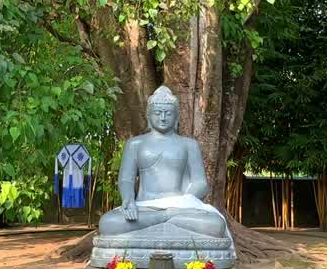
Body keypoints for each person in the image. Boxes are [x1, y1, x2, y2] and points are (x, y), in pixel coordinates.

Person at [97, 86, 229, 240]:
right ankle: (165, 219)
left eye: (168, 113)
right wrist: (128, 200)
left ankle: (158, 221)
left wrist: (182, 203)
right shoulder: (135, 144)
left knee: (216, 224)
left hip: (180, 208)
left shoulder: (188, 144)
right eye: (158, 113)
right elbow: (126, 179)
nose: (163, 117)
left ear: (176, 116)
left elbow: (201, 183)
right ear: (149, 115)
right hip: (144, 207)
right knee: (108, 223)